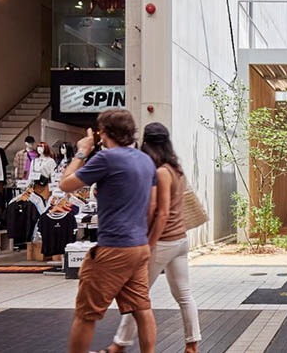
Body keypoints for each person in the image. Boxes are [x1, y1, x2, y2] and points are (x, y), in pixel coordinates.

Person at [59, 110, 158, 353]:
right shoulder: (145, 160)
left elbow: (65, 184)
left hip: (113, 247)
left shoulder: (106, 158)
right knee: (141, 308)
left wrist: (82, 150)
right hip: (139, 246)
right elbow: (152, 205)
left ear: (103, 133)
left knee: (86, 314)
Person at [103, 123, 201, 353]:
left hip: (163, 241)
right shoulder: (177, 169)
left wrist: (150, 243)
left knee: (137, 296)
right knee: (184, 294)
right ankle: (192, 344)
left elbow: (162, 212)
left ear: (146, 143)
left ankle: (118, 345)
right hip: (180, 240)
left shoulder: (161, 172)